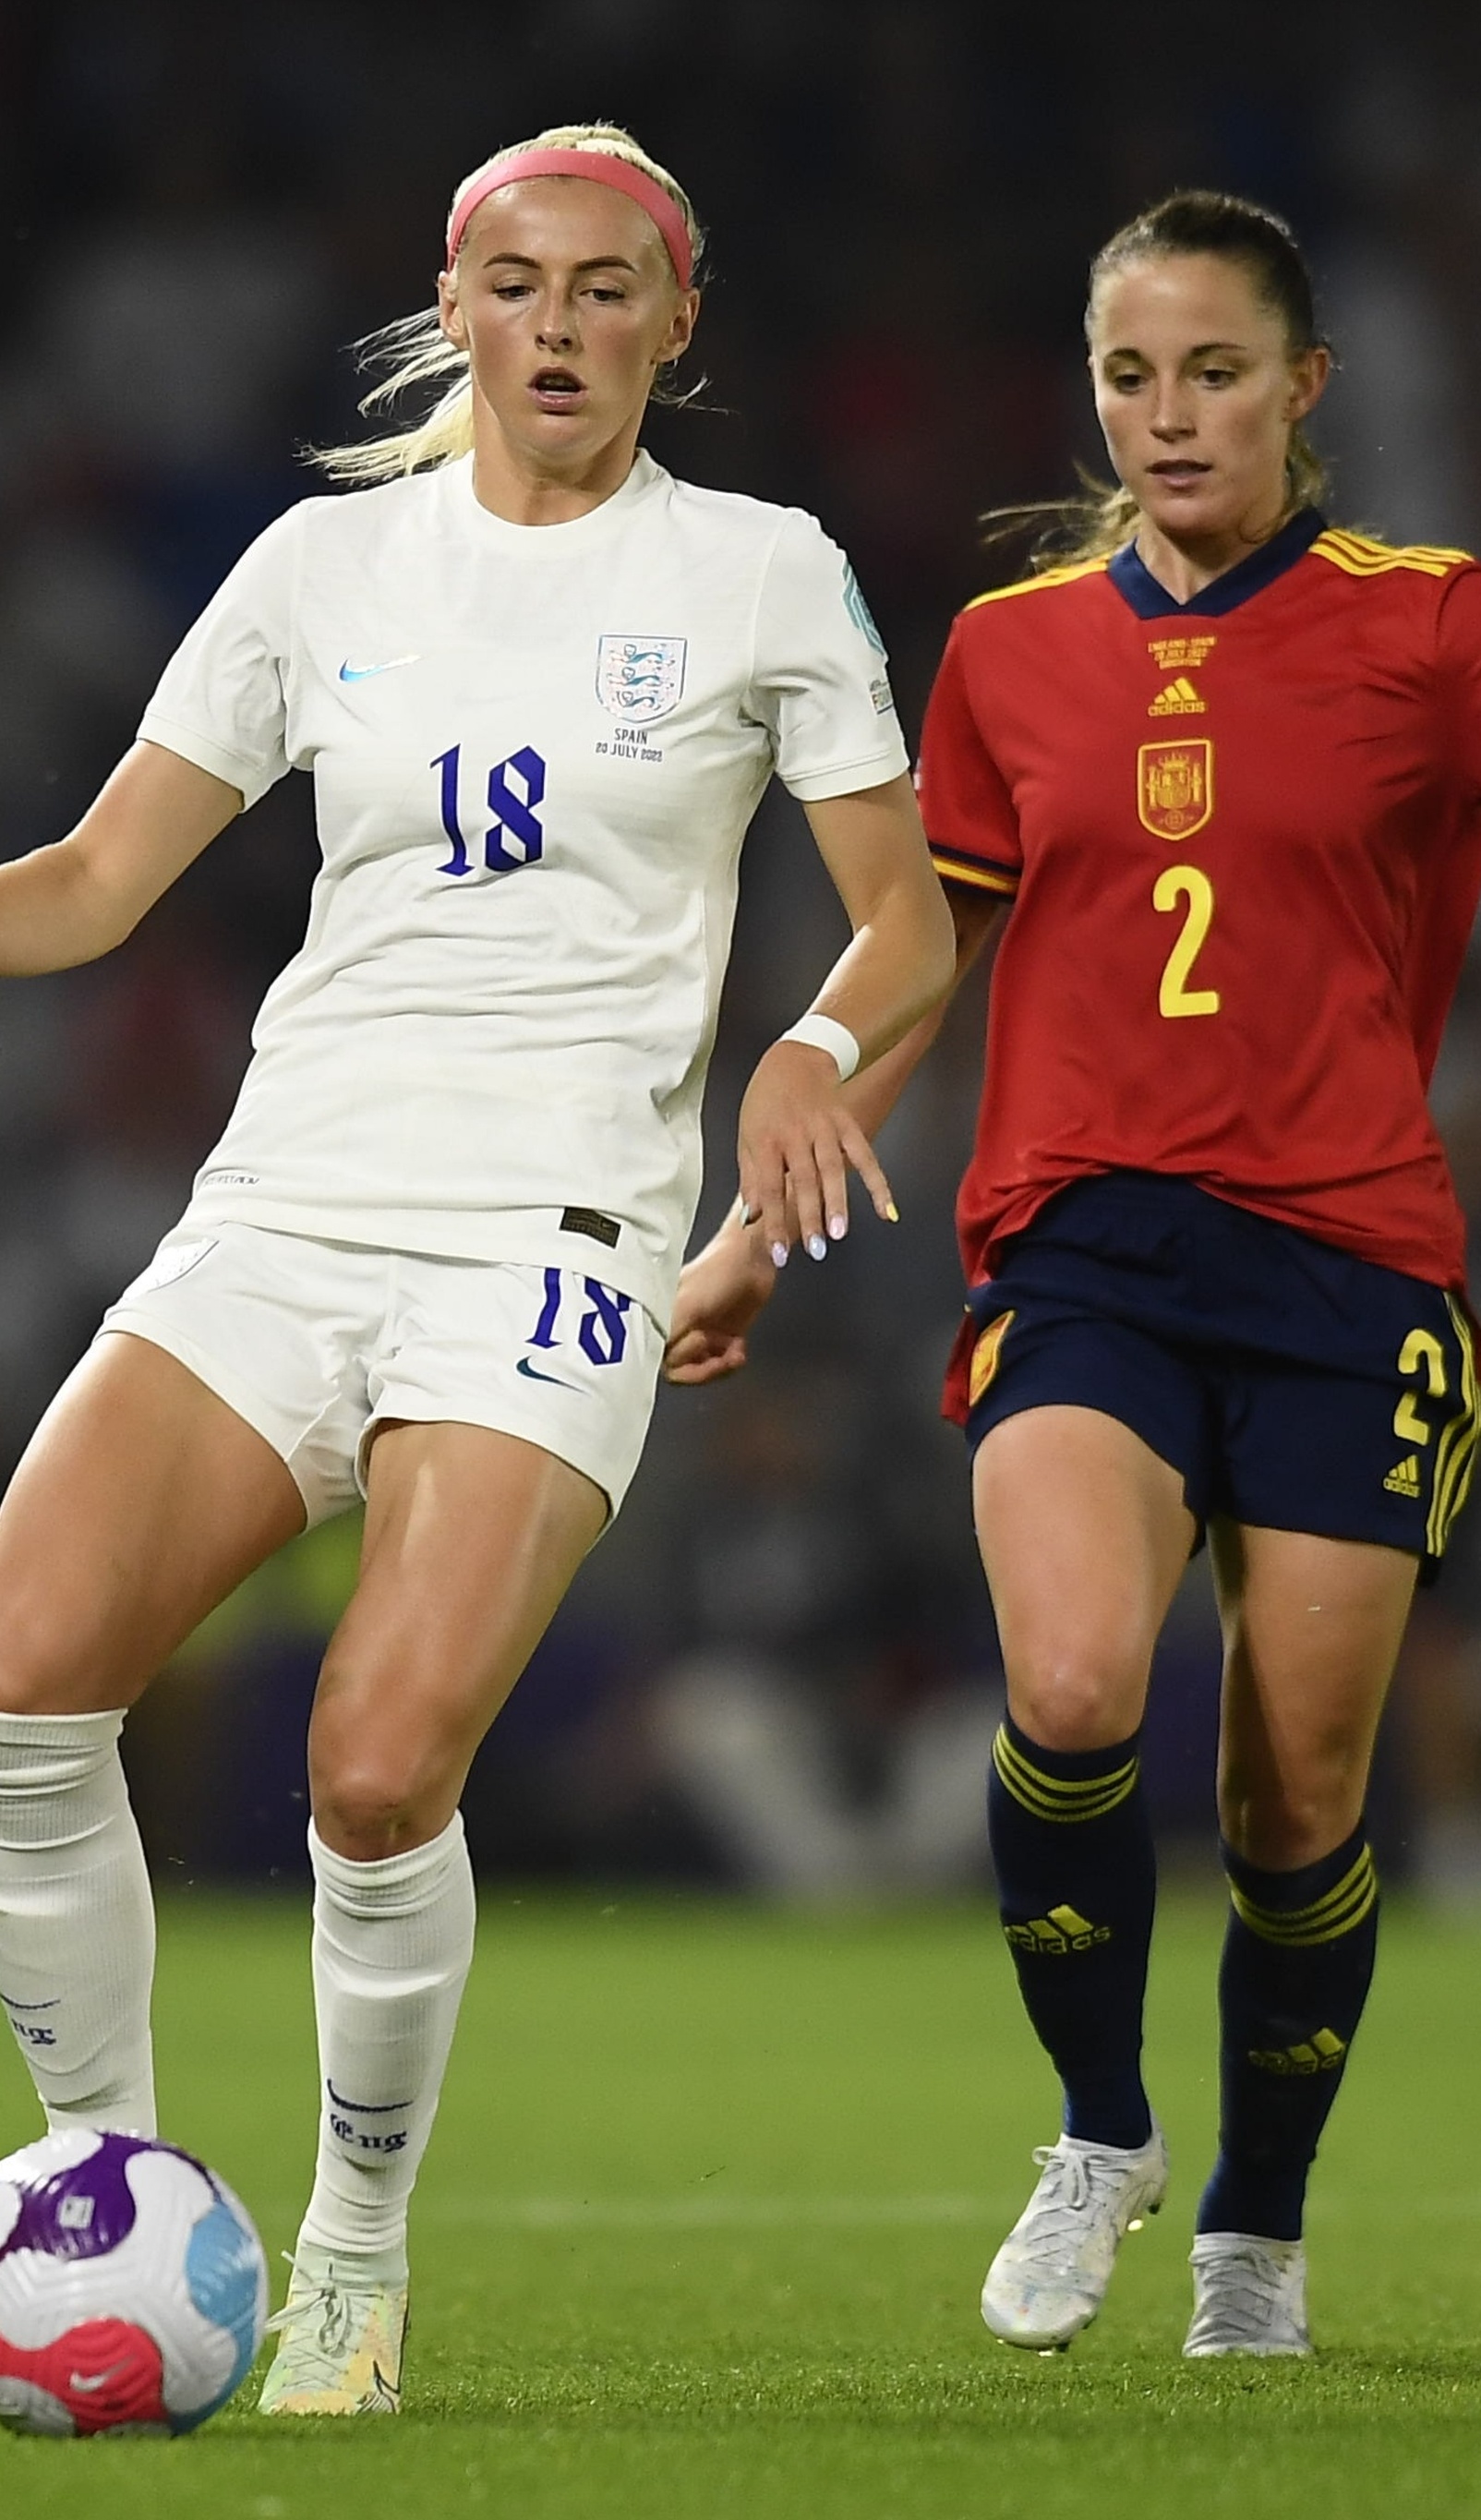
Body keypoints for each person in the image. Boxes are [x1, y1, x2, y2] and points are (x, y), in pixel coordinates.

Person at [667, 187, 1481, 2358]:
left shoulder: (1429, 627)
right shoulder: (1014, 652)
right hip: (1083, 1248)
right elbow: (921, 955)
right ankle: (1100, 2129)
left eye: (1215, 370)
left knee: (1300, 1795)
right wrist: (761, 1226)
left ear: (1306, 388)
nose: (1167, 414)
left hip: (1349, 1269)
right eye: (1130, 375)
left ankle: (1259, 2222)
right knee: (1067, 1688)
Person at [0, 122, 953, 2415]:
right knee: (22, 1677)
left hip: (553, 1228)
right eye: (518, 285)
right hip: (288, 1204)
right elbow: (92, 889)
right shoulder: (324, 566)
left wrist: (813, 1054)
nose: (559, 326)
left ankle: (348, 2246)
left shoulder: (760, 575)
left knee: (375, 1763)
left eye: (608, 289)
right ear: (459, 302)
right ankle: (104, 2192)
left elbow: (909, 922)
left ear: (677, 318)